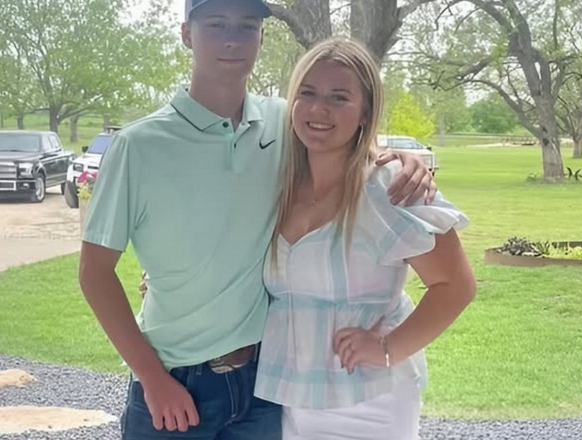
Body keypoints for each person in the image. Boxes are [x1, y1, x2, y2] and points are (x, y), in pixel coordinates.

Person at [78, 1, 436, 439]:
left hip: (263, 384)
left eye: (247, 26)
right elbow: (94, 273)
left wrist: (400, 160)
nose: (233, 39)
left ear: (262, 38)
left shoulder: (283, 122)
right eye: (216, 24)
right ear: (186, 34)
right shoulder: (138, 146)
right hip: (174, 381)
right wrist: (152, 379)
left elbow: (342, 133)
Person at [252, 37, 477, 440]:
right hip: (291, 398)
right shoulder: (277, 186)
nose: (319, 109)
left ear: (365, 112)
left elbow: (456, 285)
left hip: (370, 399)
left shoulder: (389, 186)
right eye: (307, 93)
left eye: (339, 98)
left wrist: (389, 348)